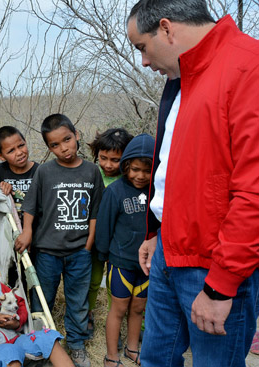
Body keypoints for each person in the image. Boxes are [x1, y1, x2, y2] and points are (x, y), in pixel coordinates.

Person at [127, 0, 259, 365]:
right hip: (170, 250)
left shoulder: (248, 66)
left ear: (167, 28)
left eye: (142, 47)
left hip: (212, 263)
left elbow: (254, 191)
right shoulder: (181, 78)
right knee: (155, 359)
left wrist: (221, 285)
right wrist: (156, 232)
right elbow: (175, 167)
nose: (144, 61)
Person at [15, 114, 104, 367]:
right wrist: (27, 231)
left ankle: (75, 344)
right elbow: (30, 206)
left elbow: (95, 213)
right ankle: (40, 343)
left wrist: (88, 246)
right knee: (42, 299)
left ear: (76, 135)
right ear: (49, 148)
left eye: (67, 139)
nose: (64, 148)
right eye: (55, 145)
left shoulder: (92, 171)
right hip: (47, 252)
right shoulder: (44, 172)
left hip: (79, 252)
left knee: (78, 300)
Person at [95, 134, 154, 367]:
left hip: (147, 265)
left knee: (138, 309)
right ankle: (111, 355)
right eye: (135, 169)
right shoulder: (115, 191)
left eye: (146, 171)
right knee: (118, 309)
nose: (140, 176)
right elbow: (104, 226)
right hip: (120, 262)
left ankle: (132, 349)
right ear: (126, 165)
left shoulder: (157, 192)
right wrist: (103, 254)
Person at [87, 128, 133, 338]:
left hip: (121, 245)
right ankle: (87, 314)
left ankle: (119, 320)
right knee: (94, 280)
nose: (107, 164)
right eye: (103, 158)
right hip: (96, 241)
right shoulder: (93, 176)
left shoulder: (132, 182)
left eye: (115, 160)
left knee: (116, 285)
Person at [0, 126, 39, 223]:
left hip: (37, 229)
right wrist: (1, 188)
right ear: (0, 156)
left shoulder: (40, 171)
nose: (19, 153)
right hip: (11, 230)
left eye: (21, 145)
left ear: (25, 142)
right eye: (11, 151)